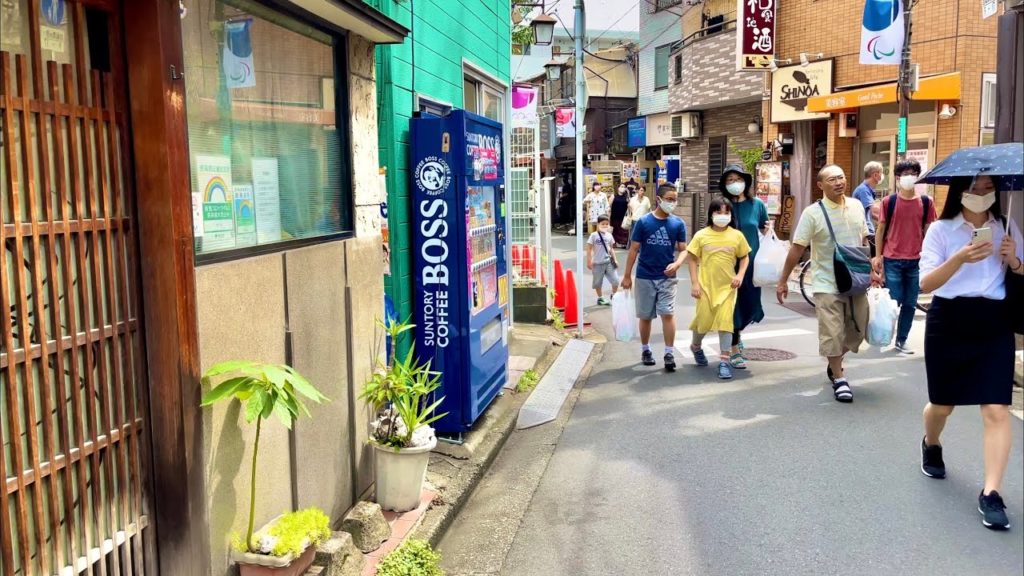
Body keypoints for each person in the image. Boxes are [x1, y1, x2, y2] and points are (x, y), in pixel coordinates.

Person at [917, 174, 1022, 531]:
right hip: (950, 320)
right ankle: (931, 443)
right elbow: (926, 283)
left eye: (989, 187)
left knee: (996, 407)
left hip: (994, 323)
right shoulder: (941, 230)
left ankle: (992, 493)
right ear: (960, 190)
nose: (981, 194)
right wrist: (960, 257)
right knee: (942, 404)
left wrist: (1015, 260)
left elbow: (1023, 273)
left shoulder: (1007, 226)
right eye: (975, 187)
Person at [776, 165, 870, 403]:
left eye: (841, 177)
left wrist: (874, 268)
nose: (838, 182)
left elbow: (862, 240)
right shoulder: (812, 213)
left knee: (859, 328)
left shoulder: (857, 206)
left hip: (856, 279)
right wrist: (783, 279)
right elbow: (798, 247)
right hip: (826, 282)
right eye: (832, 179)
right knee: (832, 332)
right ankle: (839, 378)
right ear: (820, 186)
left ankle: (835, 360)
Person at [621, 183, 688, 372]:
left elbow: (684, 250)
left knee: (668, 313)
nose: (672, 203)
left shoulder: (678, 223)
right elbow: (634, 249)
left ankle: (668, 353)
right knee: (646, 316)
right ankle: (646, 349)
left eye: (675, 199)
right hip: (644, 276)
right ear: (658, 200)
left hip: (667, 277)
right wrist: (627, 276)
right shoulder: (643, 222)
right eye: (669, 199)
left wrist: (677, 264)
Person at [871, 159, 936, 354]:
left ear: (917, 177)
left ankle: (901, 339)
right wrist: (878, 256)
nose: (908, 178)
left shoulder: (926, 202)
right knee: (894, 299)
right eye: (903, 174)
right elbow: (880, 230)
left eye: (912, 174)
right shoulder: (888, 202)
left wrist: (930, 258)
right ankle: (884, 332)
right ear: (897, 178)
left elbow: (929, 231)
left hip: (916, 260)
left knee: (909, 302)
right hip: (892, 259)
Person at [687, 197, 751, 380]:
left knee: (725, 324)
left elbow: (745, 257)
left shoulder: (737, 236)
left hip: (728, 288)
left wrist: (739, 276)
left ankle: (724, 360)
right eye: (718, 212)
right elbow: (692, 258)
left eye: (726, 212)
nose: (722, 216)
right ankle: (696, 346)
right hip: (705, 287)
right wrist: (694, 283)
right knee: (703, 322)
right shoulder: (701, 235)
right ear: (711, 214)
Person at [719, 164, 770, 369]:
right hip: (727, 264)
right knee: (732, 306)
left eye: (737, 179)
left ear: (745, 182)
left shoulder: (757, 204)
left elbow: (764, 227)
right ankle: (733, 348)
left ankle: (738, 333)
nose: (734, 184)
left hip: (752, 264)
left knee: (749, 304)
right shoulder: (722, 206)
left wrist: (769, 234)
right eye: (729, 180)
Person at [587, 215, 620, 306]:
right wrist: (589, 261)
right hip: (597, 263)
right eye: (603, 224)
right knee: (598, 282)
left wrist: (615, 260)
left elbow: (611, 249)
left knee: (616, 280)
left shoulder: (609, 235)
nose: (605, 225)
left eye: (607, 224)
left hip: (608, 261)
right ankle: (600, 298)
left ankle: (613, 295)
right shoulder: (593, 235)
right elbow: (589, 249)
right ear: (598, 224)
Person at [853, 161, 884, 253]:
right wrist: (887, 222)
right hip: (866, 232)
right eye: (881, 173)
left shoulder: (867, 190)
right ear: (875, 175)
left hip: (868, 230)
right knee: (875, 258)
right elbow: (873, 212)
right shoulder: (863, 190)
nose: (881, 176)